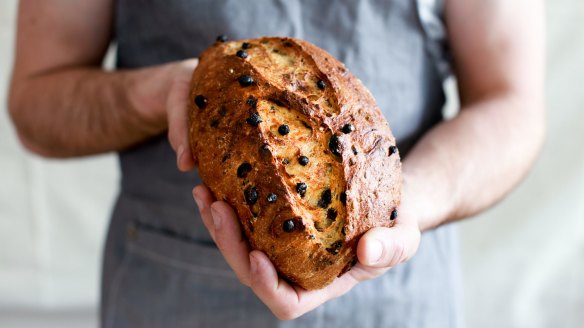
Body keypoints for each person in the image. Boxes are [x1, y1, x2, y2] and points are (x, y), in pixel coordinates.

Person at [8, 0, 545, 327]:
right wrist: (163, 93)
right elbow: (37, 99)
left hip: (399, 294)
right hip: (171, 295)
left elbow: (510, 101)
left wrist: (404, 208)